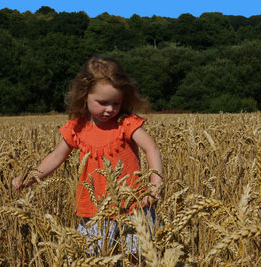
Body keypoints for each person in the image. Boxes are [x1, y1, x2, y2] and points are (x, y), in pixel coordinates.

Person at [12, 56, 163, 258]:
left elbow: (151, 148)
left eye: (116, 103)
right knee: (92, 257)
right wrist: (29, 178)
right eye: (102, 102)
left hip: (134, 205)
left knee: (136, 256)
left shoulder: (126, 123)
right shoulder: (78, 128)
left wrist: (155, 184)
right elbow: (56, 157)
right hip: (93, 209)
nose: (110, 109)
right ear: (85, 96)